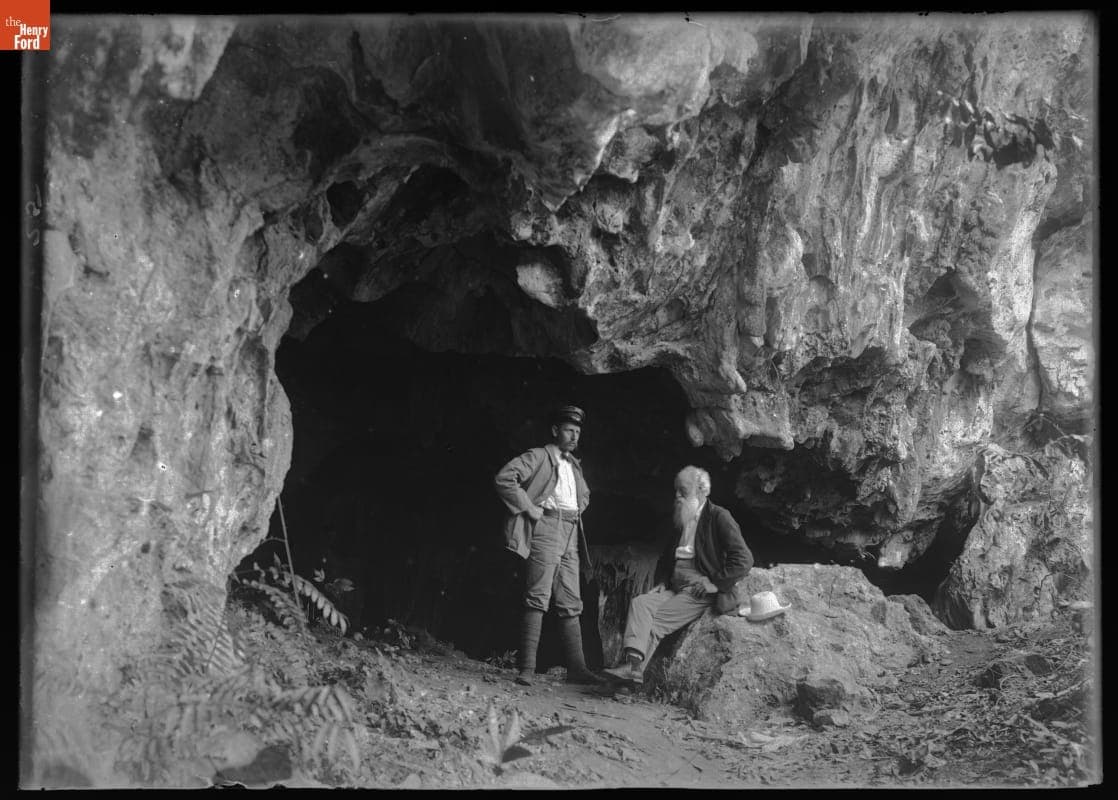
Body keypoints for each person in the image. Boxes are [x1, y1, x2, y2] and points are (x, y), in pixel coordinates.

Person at [604, 465, 753, 686]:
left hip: (698, 590)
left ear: (701, 491)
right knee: (640, 603)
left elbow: (744, 559)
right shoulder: (682, 516)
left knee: (656, 622)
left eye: (683, 490)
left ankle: (632, 673)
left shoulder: (719, 517)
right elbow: (667, 557)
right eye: (676, 490)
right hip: (675, 586)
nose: (677, 496)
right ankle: (631, 670)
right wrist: (663, 582)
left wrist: (714, 583)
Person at [494, 404, 605, 686]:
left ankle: (577, 669)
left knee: (571, 600)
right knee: (538, 595)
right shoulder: (539, 456)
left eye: (577, 431)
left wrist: (575, 511)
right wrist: (530, 507)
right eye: (569, 430)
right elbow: (505, 478)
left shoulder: (574, 464)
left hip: (570, 531)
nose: (574, 436)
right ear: (556, 431)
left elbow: (584, 495)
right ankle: (527, 669)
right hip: (546, 527)